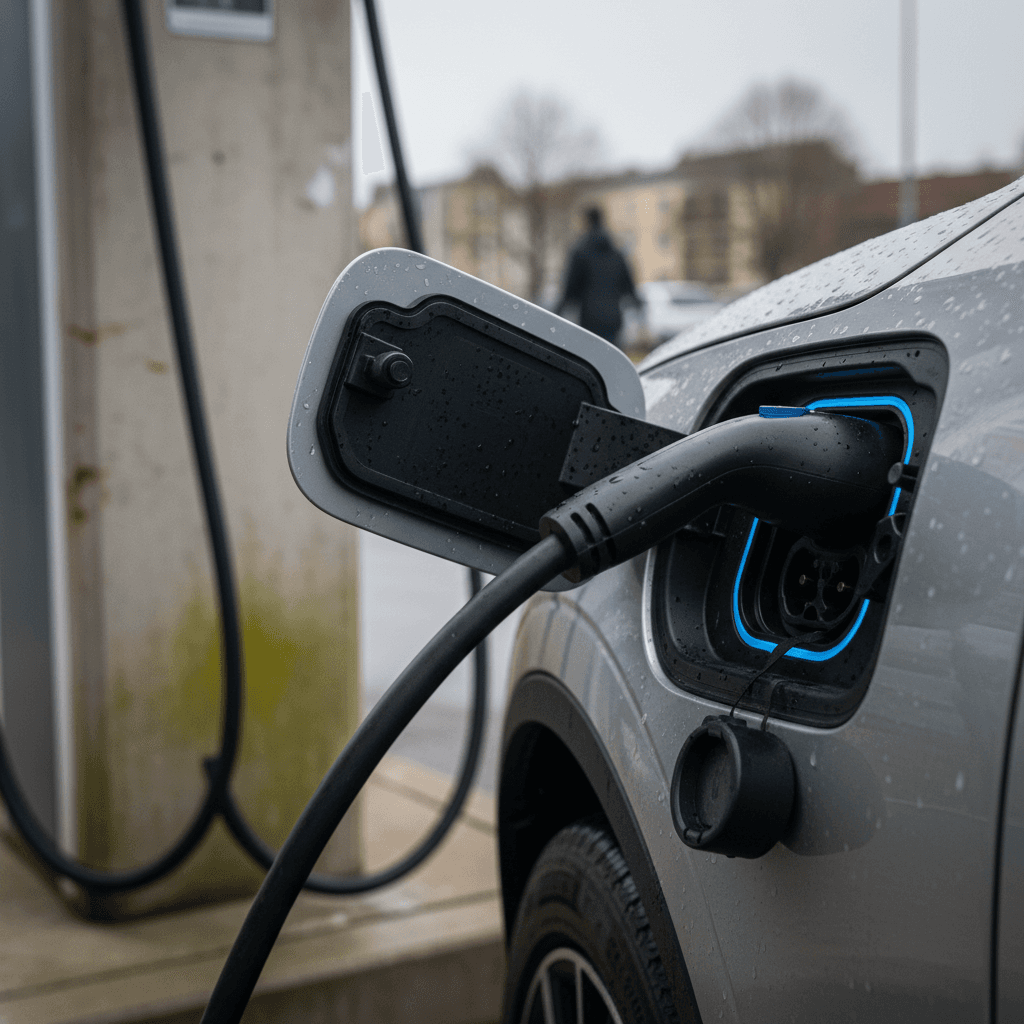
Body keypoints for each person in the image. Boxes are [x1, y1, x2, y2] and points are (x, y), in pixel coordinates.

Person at [555, 206, 641, 349]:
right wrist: (638, 305)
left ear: (586, 221)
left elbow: (571, 288)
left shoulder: (580, 252)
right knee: (612, 359)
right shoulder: (617, 254)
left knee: (591, 357)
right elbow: (629, 285)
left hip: (590, 319)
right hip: (613, 318)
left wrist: (557, 311)